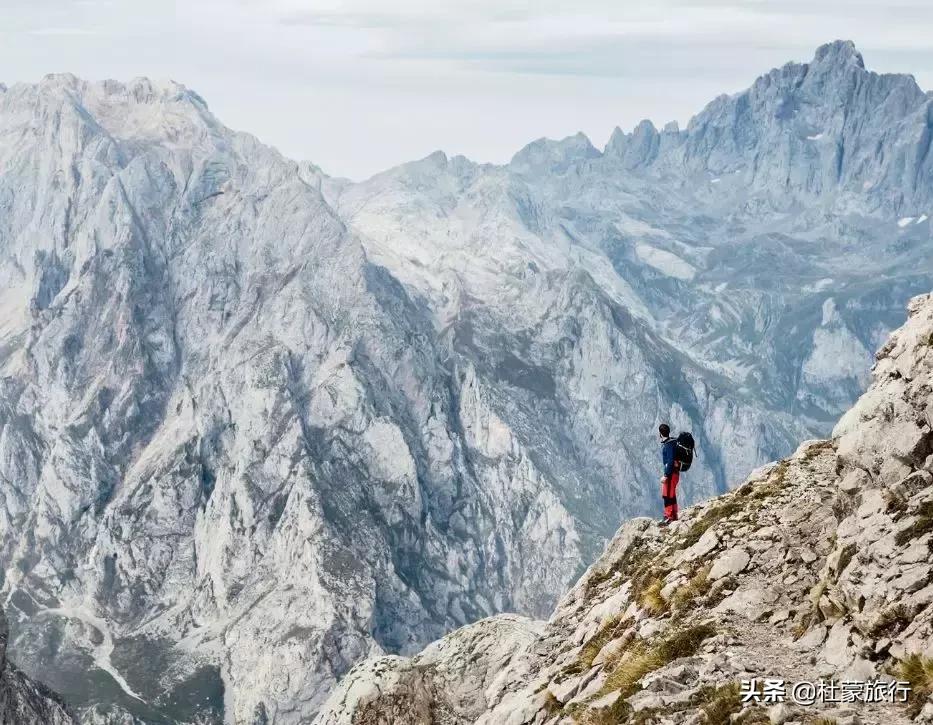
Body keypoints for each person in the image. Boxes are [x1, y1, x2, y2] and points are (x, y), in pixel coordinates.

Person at [658, 423, 680, 526]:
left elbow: (670, 461)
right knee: (672, 494)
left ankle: (668, 517)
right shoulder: (674, 442)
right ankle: (674, 515)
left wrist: (666, 475)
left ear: (660, 434)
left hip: (671, 474)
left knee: (667, 495)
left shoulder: (668, 445)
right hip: (675, 472)